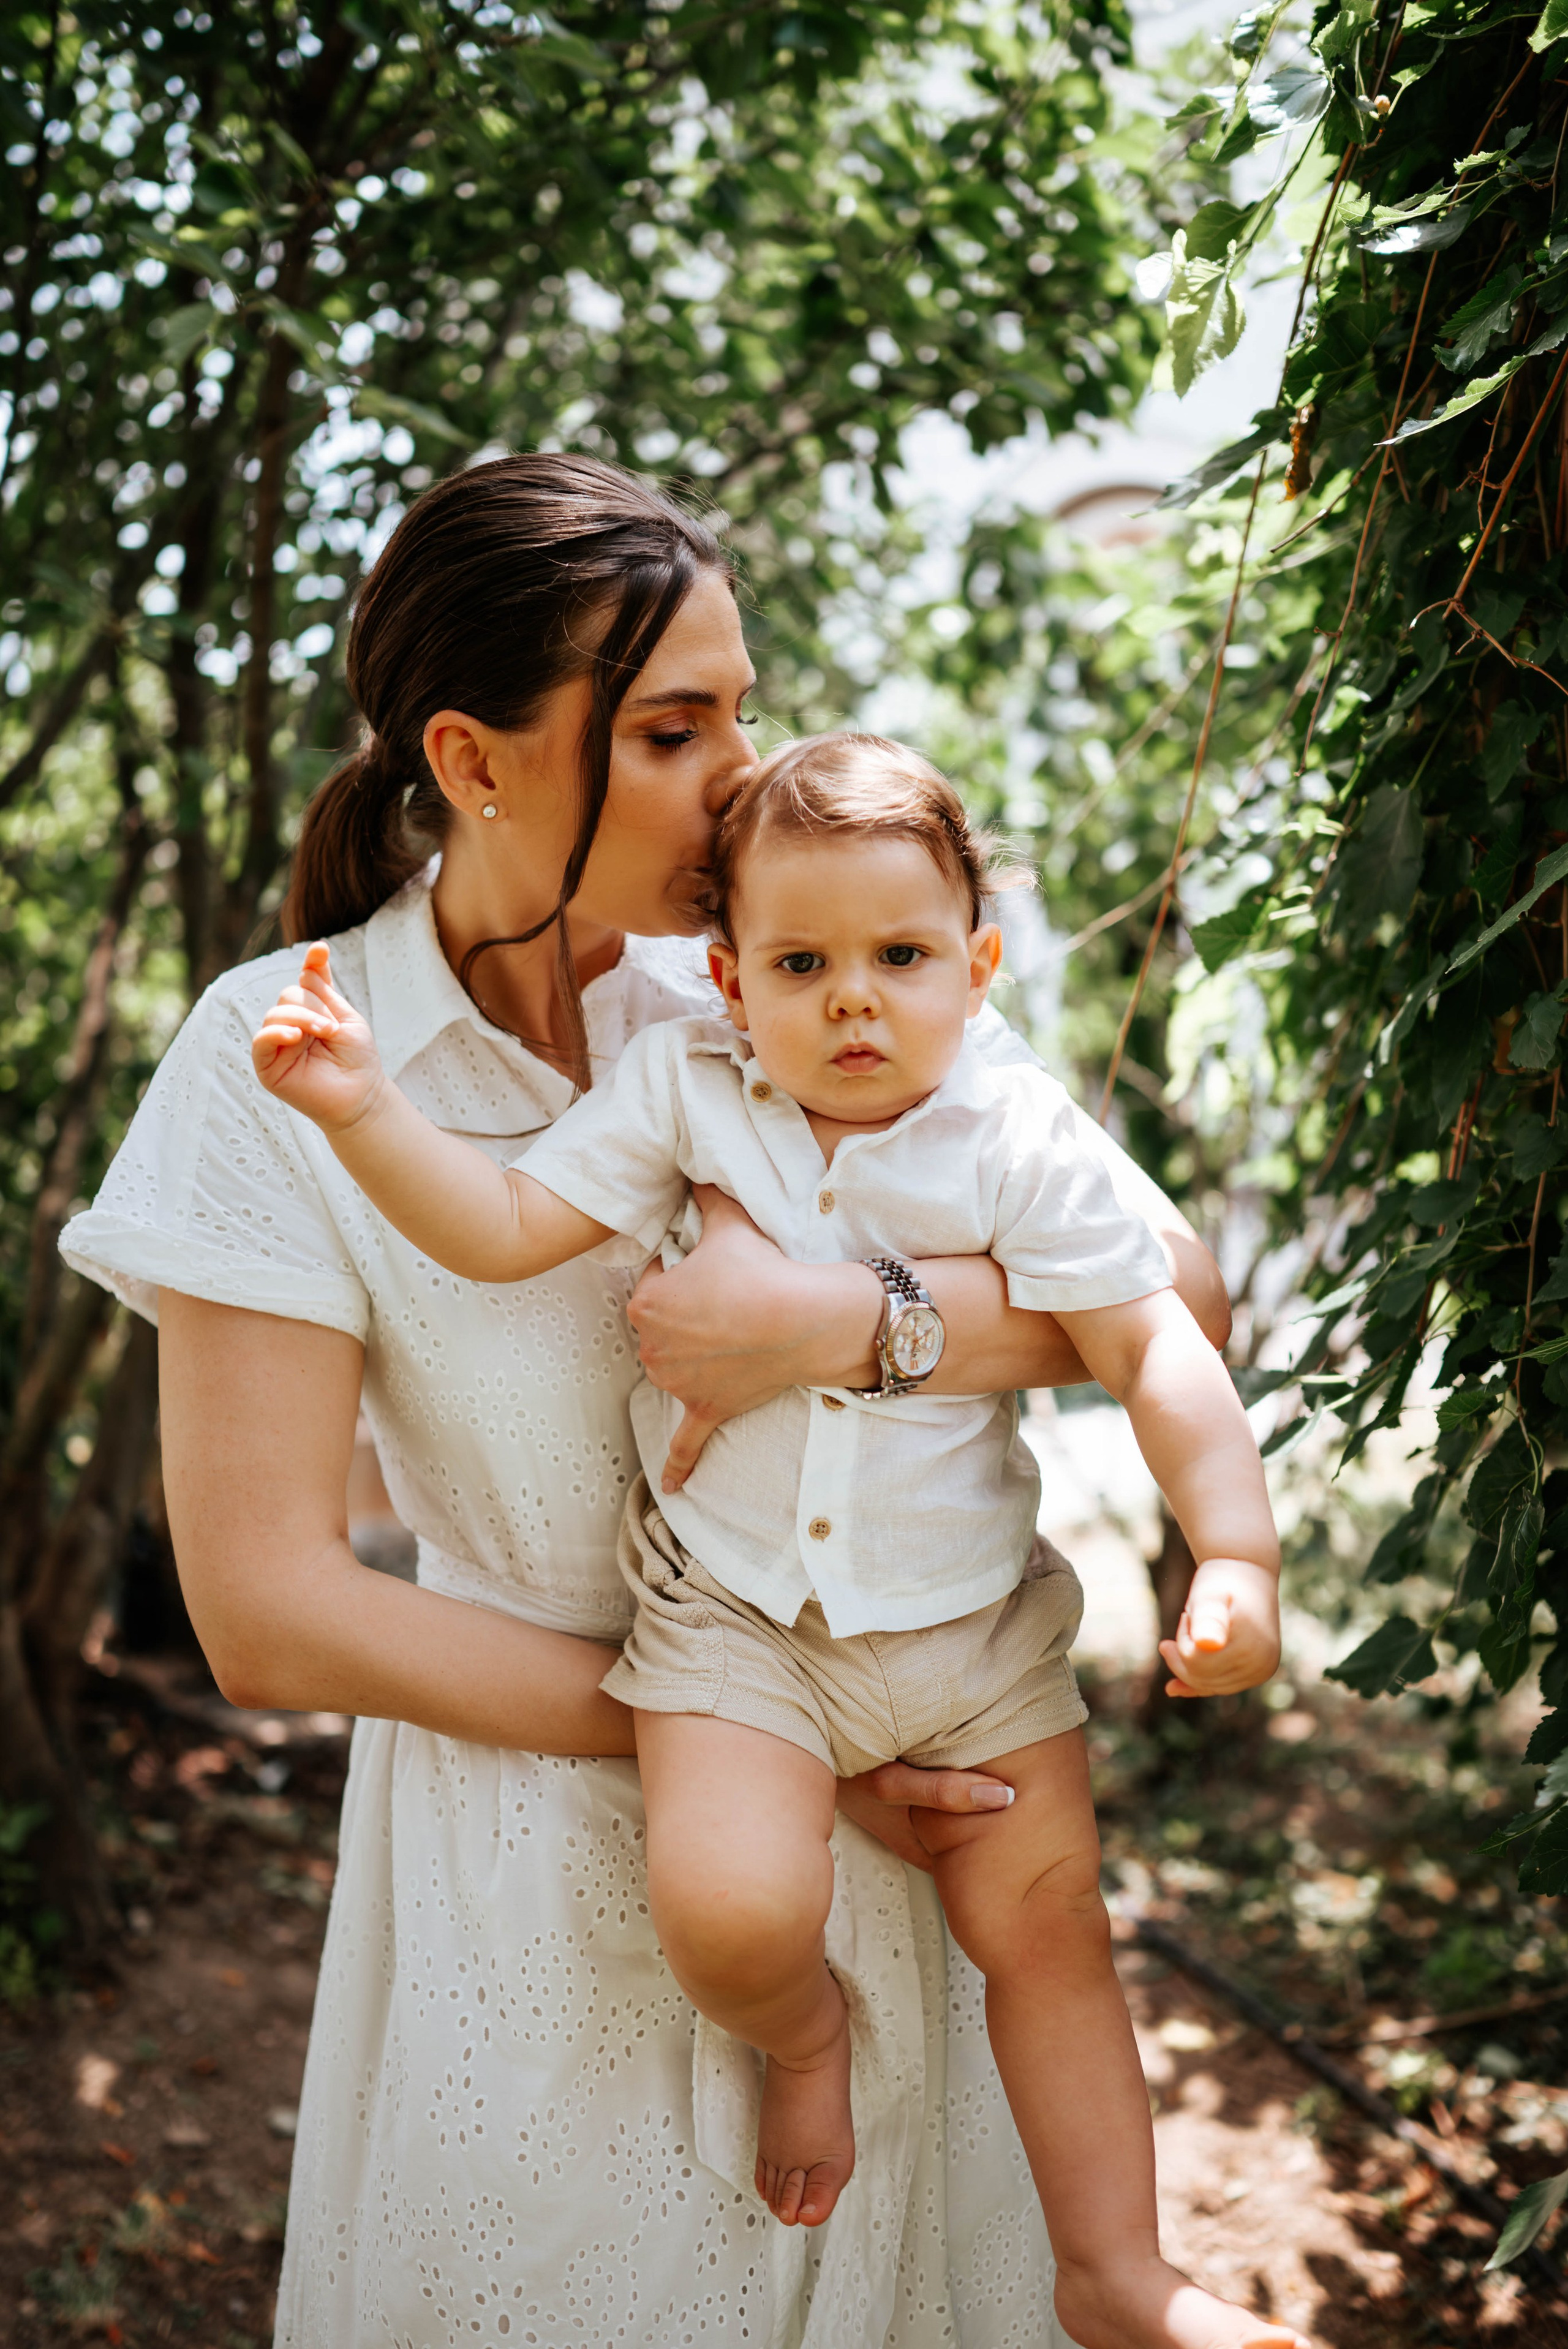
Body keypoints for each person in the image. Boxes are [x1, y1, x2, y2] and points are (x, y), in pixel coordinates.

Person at [62, 453, 1237, 2349]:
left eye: (743, 711)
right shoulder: (283, 1054)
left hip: (880, 1848)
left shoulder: (806, 954)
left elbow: (1169, 1292)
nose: (739, 776)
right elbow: (268, 1610)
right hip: (536, 1893)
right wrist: (753, 1741)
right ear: (473, 756)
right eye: (678, 727)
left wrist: (844, 1322)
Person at [251, 732, 1303, 2349]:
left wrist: (1234, 1550)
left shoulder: (1010, 1125)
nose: (857, 999)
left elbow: (1155, 1335)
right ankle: (805, 2041)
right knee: (731, 1908)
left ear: (979, 965)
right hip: (736, 1631)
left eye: (901, 957)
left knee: (1050, 1923)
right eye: (803, 964)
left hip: (972, 1640)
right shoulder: (685, 1088)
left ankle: (1117, 2265)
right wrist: (363, 1107)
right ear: (728, 979)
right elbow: (506, 1224)